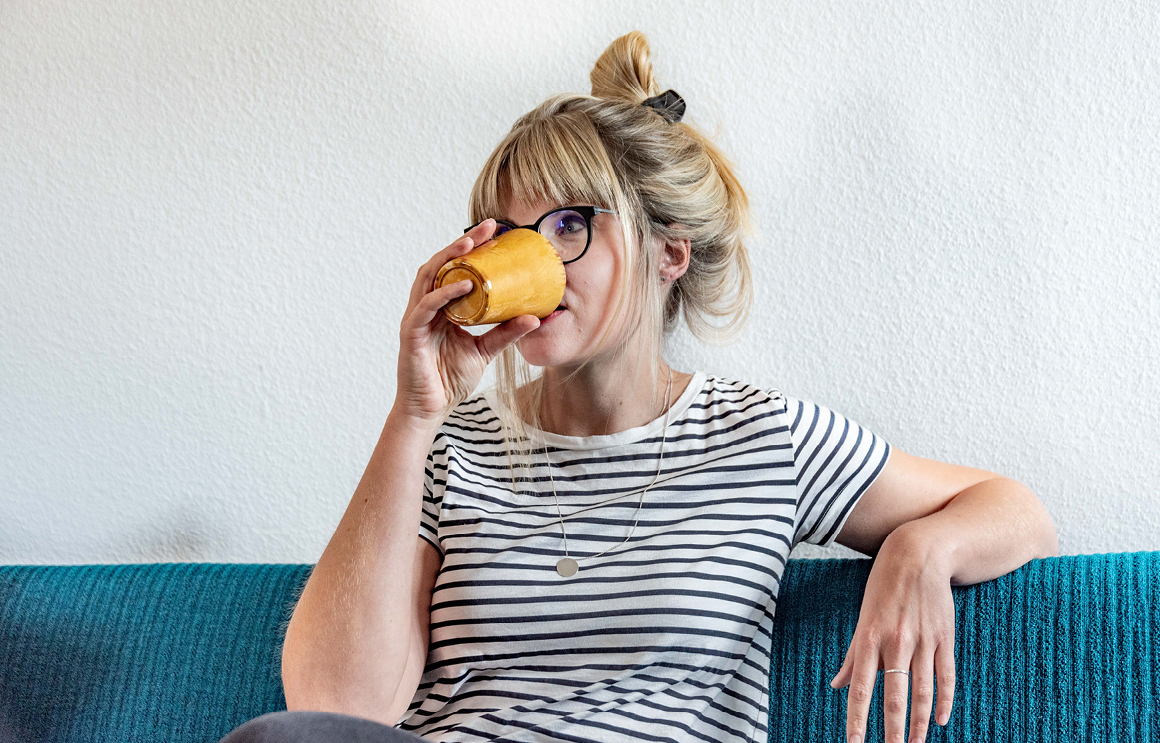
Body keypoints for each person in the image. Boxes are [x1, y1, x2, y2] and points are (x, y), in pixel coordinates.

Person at [221, 30, 1057, 743]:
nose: (535, 259)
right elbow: (333, 709)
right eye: (510, 232)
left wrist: (921, 546)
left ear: (669, 252)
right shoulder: (452, 449)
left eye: (571, 224)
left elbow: (1016, 509)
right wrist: (414, 416)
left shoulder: (765, 437)